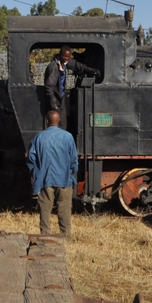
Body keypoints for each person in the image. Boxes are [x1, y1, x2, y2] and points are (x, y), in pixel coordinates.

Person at [27, 110, 78, 239]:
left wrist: (36, 174)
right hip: (64, 179)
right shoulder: (68, 137)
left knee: (44, 208)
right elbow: (73, 159)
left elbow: (31, 160)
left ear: (46, 120)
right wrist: (71, 173)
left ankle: (45, 236)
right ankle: (66, 236)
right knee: (64, 208)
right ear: (59, 121)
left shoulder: (38, 137)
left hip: (45, 180)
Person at [44, 46, 100, 129]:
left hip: (61, 95)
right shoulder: (54, 67)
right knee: (58, 122)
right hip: (55, 97)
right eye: (65, 56)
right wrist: (52, 99)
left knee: (63, 120)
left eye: (68, 57)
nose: (66, 58)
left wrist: (90, 70)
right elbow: (49, 85)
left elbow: (77, 65)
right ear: (60, 55)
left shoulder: (65, 62)